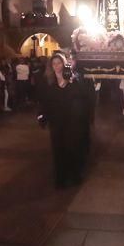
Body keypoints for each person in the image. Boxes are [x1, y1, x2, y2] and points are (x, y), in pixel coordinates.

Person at [37, 53, 92, 189]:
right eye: (54, 64)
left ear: (63, 64)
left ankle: (74, 175)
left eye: (59, 63)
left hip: (71, 119)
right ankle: (60, 177)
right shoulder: (48, 80)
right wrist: (42, 115)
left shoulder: (72, 79)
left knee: (72, 148)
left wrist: (73, 82)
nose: (56, 66)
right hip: (56, 119)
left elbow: (84, 95)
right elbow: (44, 100)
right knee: (58, 149)